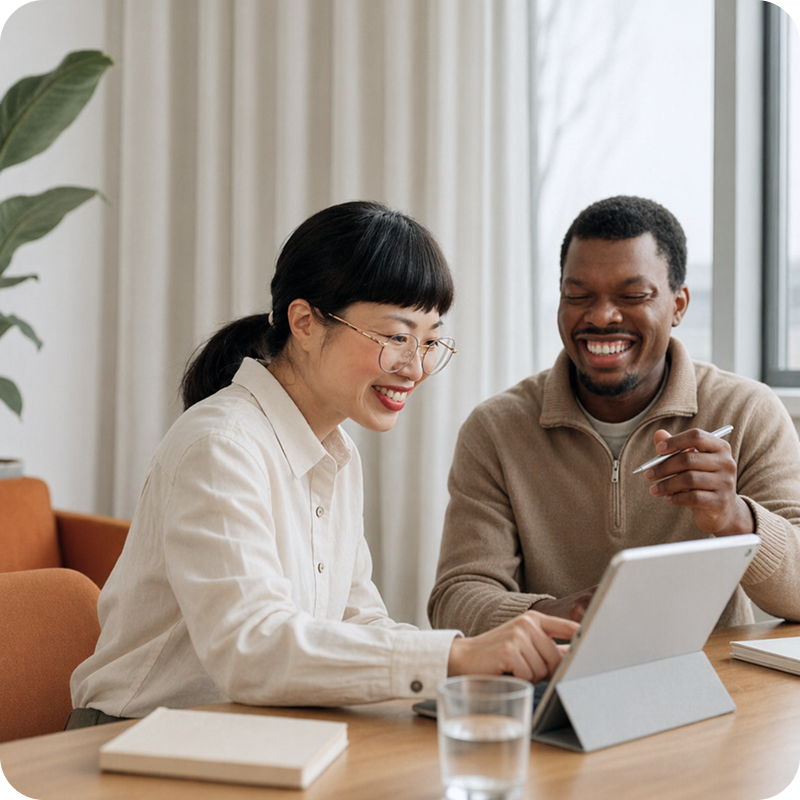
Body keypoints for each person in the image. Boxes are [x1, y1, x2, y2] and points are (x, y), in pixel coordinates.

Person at [68, 201, 577, 728]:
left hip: (252, 736)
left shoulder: (337, 452)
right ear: (306, 323)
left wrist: (476, 667)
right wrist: (455, 655)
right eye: (397, 336)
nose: (416, 367)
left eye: (429, 341)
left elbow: (358, 620)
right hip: (133, 739)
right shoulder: (220, 444)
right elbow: (253, 648)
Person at [428, 195, 800, 636]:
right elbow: (457, 598)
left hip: (715, 684)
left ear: (678, 305)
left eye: (633, 295)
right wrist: (558, 614)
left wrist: (735, 516)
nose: (601, 316)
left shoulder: (747, 412)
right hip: (555, 680)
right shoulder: (495, 430)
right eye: (578, 295)